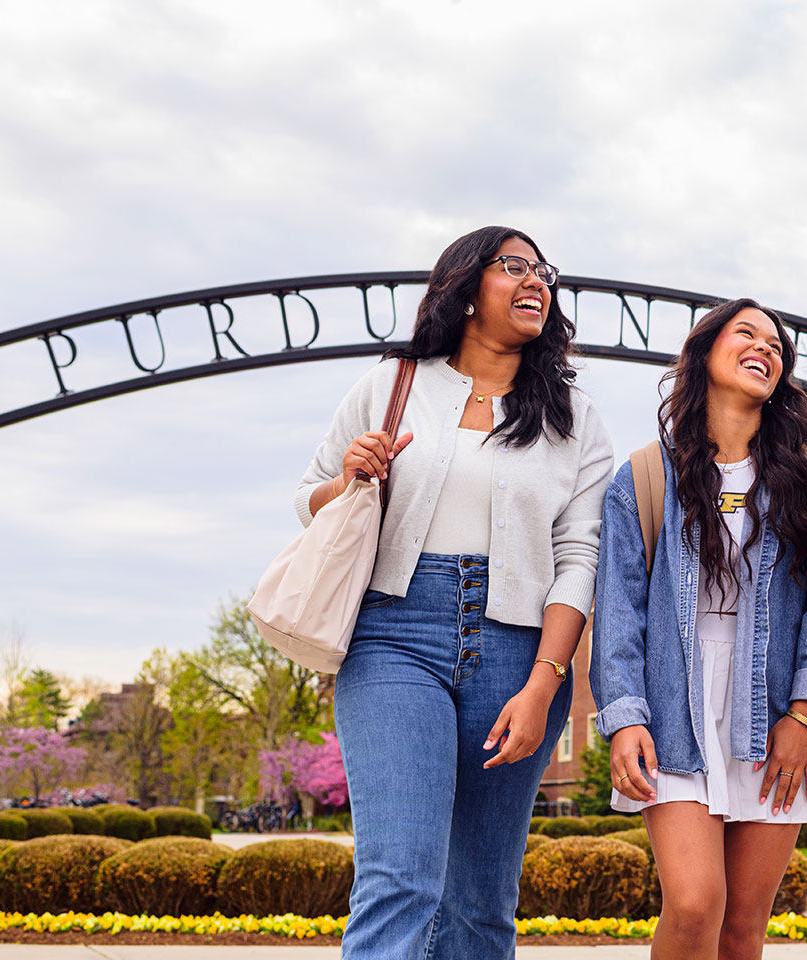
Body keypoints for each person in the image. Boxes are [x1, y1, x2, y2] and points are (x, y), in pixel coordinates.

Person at [294, 225, 614, 958]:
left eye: (544, 270)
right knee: (399, 875)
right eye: (515, 266)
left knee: (481, 900)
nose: (536, 280)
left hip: (518, 649)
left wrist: (545, 683)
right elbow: (309, 499)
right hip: (393, 635)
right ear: (467, 288)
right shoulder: (391, 384)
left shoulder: (575, 418)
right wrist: (349, 477)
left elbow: (579, 557)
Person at [592, 298, 807, 960]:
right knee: (693, 903)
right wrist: (625, 716)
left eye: (777, 345)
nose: (765, 348)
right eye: (748, 334)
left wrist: (803, 716)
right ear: (706, 353)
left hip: (776, 708)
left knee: (743, 925)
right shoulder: (644, 476)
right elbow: (619, 609)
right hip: (674, 706)